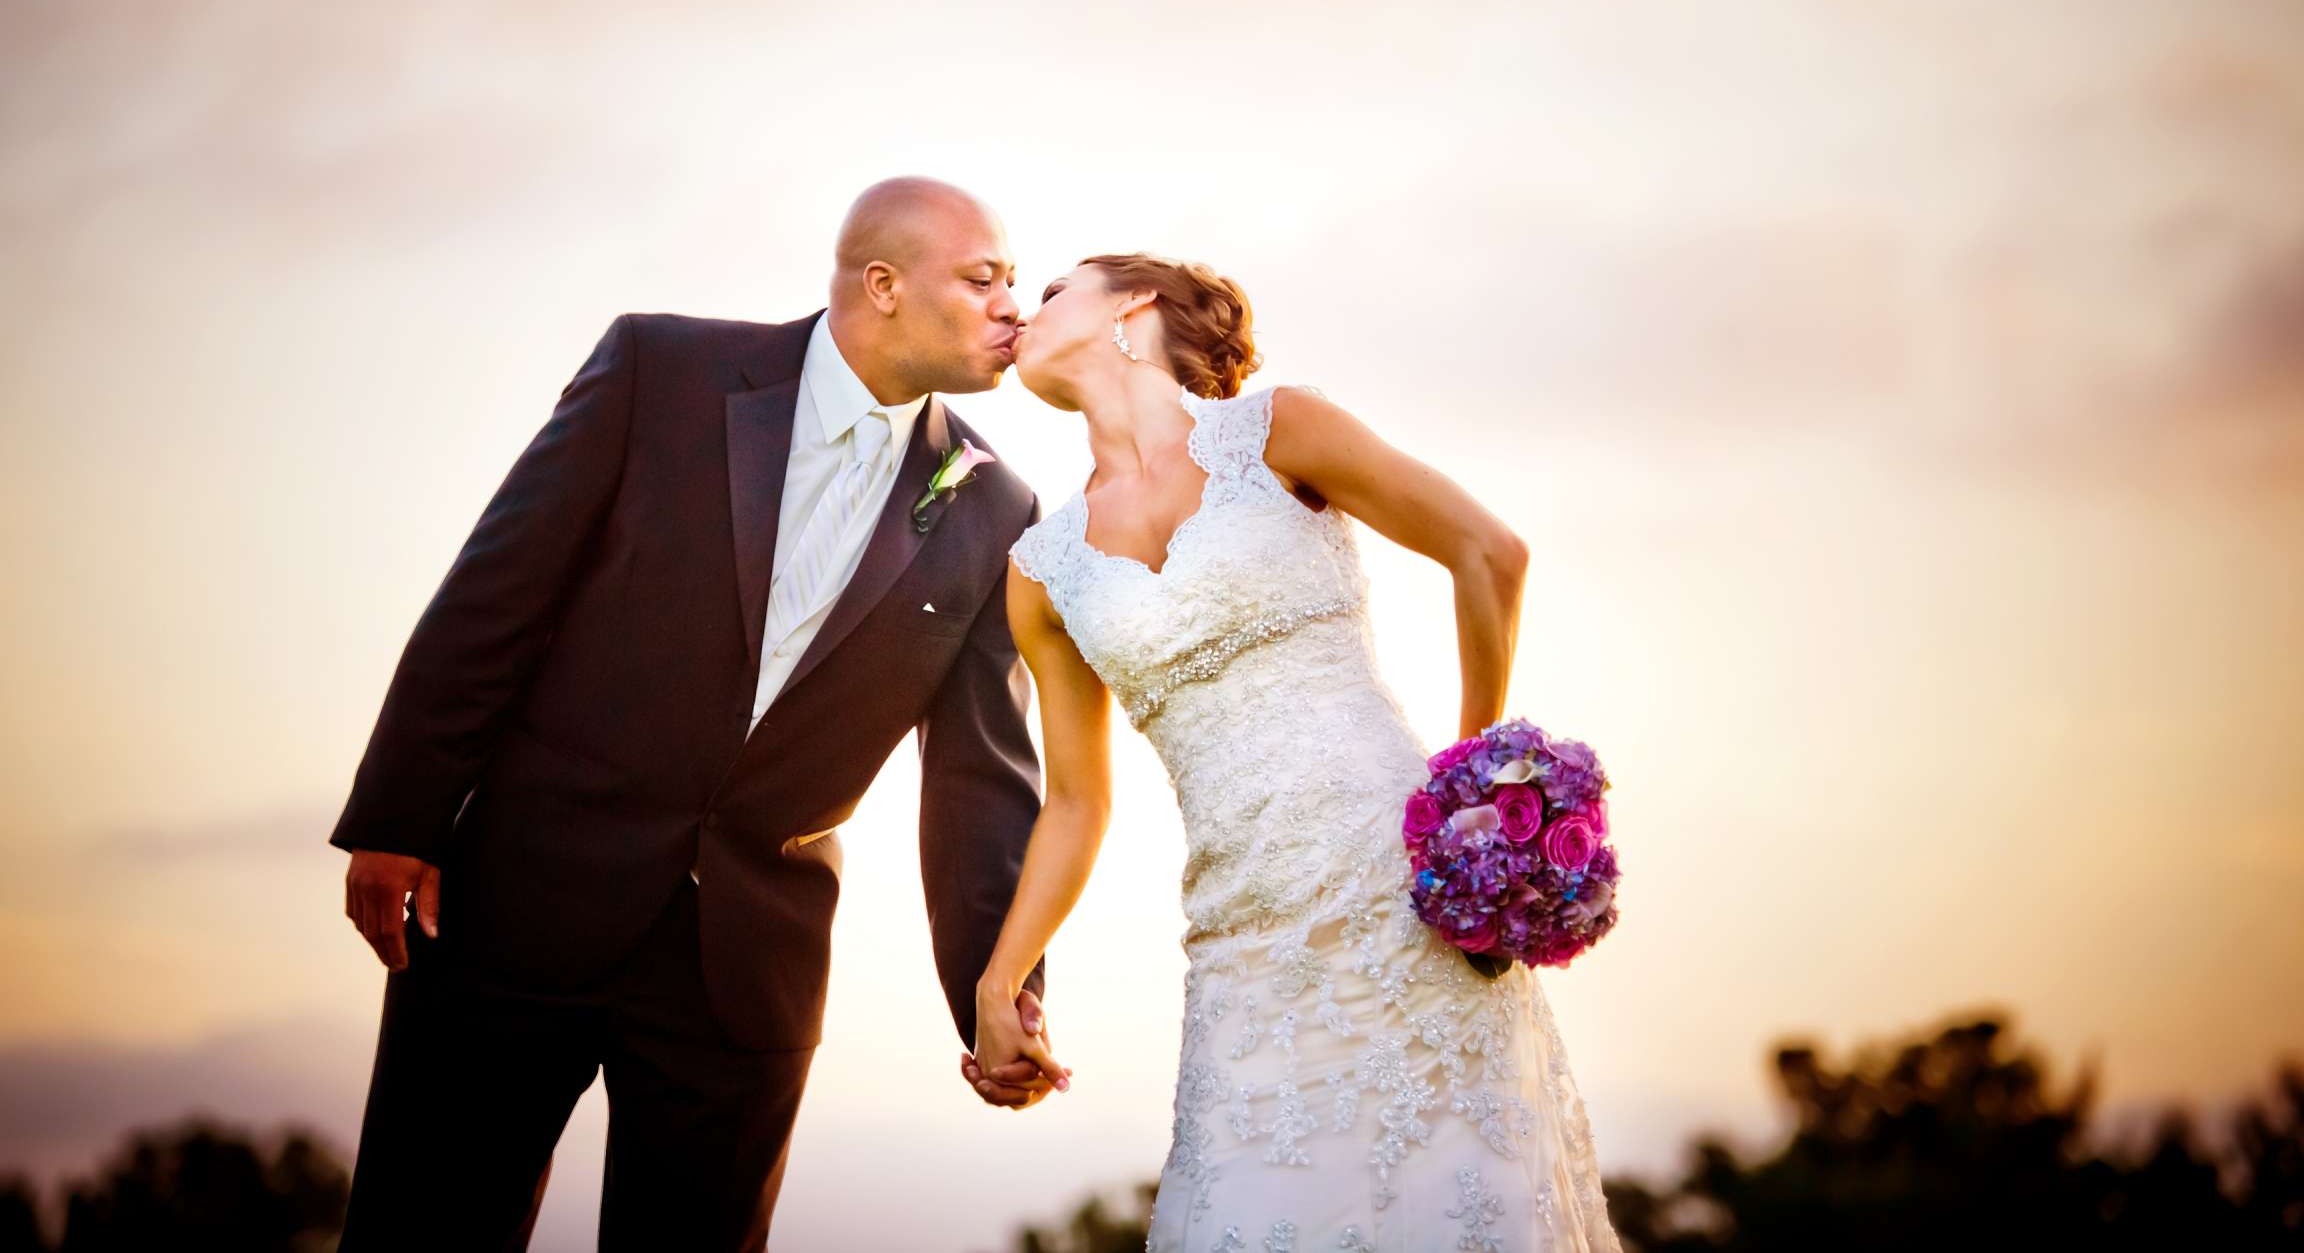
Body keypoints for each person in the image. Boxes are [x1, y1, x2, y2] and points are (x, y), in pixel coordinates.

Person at [330, 177, 1064, 1252]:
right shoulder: (659, 371)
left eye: (1016, 279)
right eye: (984, 277)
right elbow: (499, 593)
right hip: (514, 904)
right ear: (884, 285)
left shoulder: (997, 506)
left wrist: (1001, 994)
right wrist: (400, 815)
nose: (1016, 305)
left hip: (747, 972)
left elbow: (981, 780)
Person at [964, 252, 1623, 1250]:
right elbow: (1075, 803)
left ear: (1133, 306)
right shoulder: (1042, 572)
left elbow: (1490, 553)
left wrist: (1472, 802)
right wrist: (999, 978)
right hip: (1243, 950)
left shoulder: (1281, 432)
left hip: (1405, 909)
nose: (1022, 307)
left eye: (1053, 288)